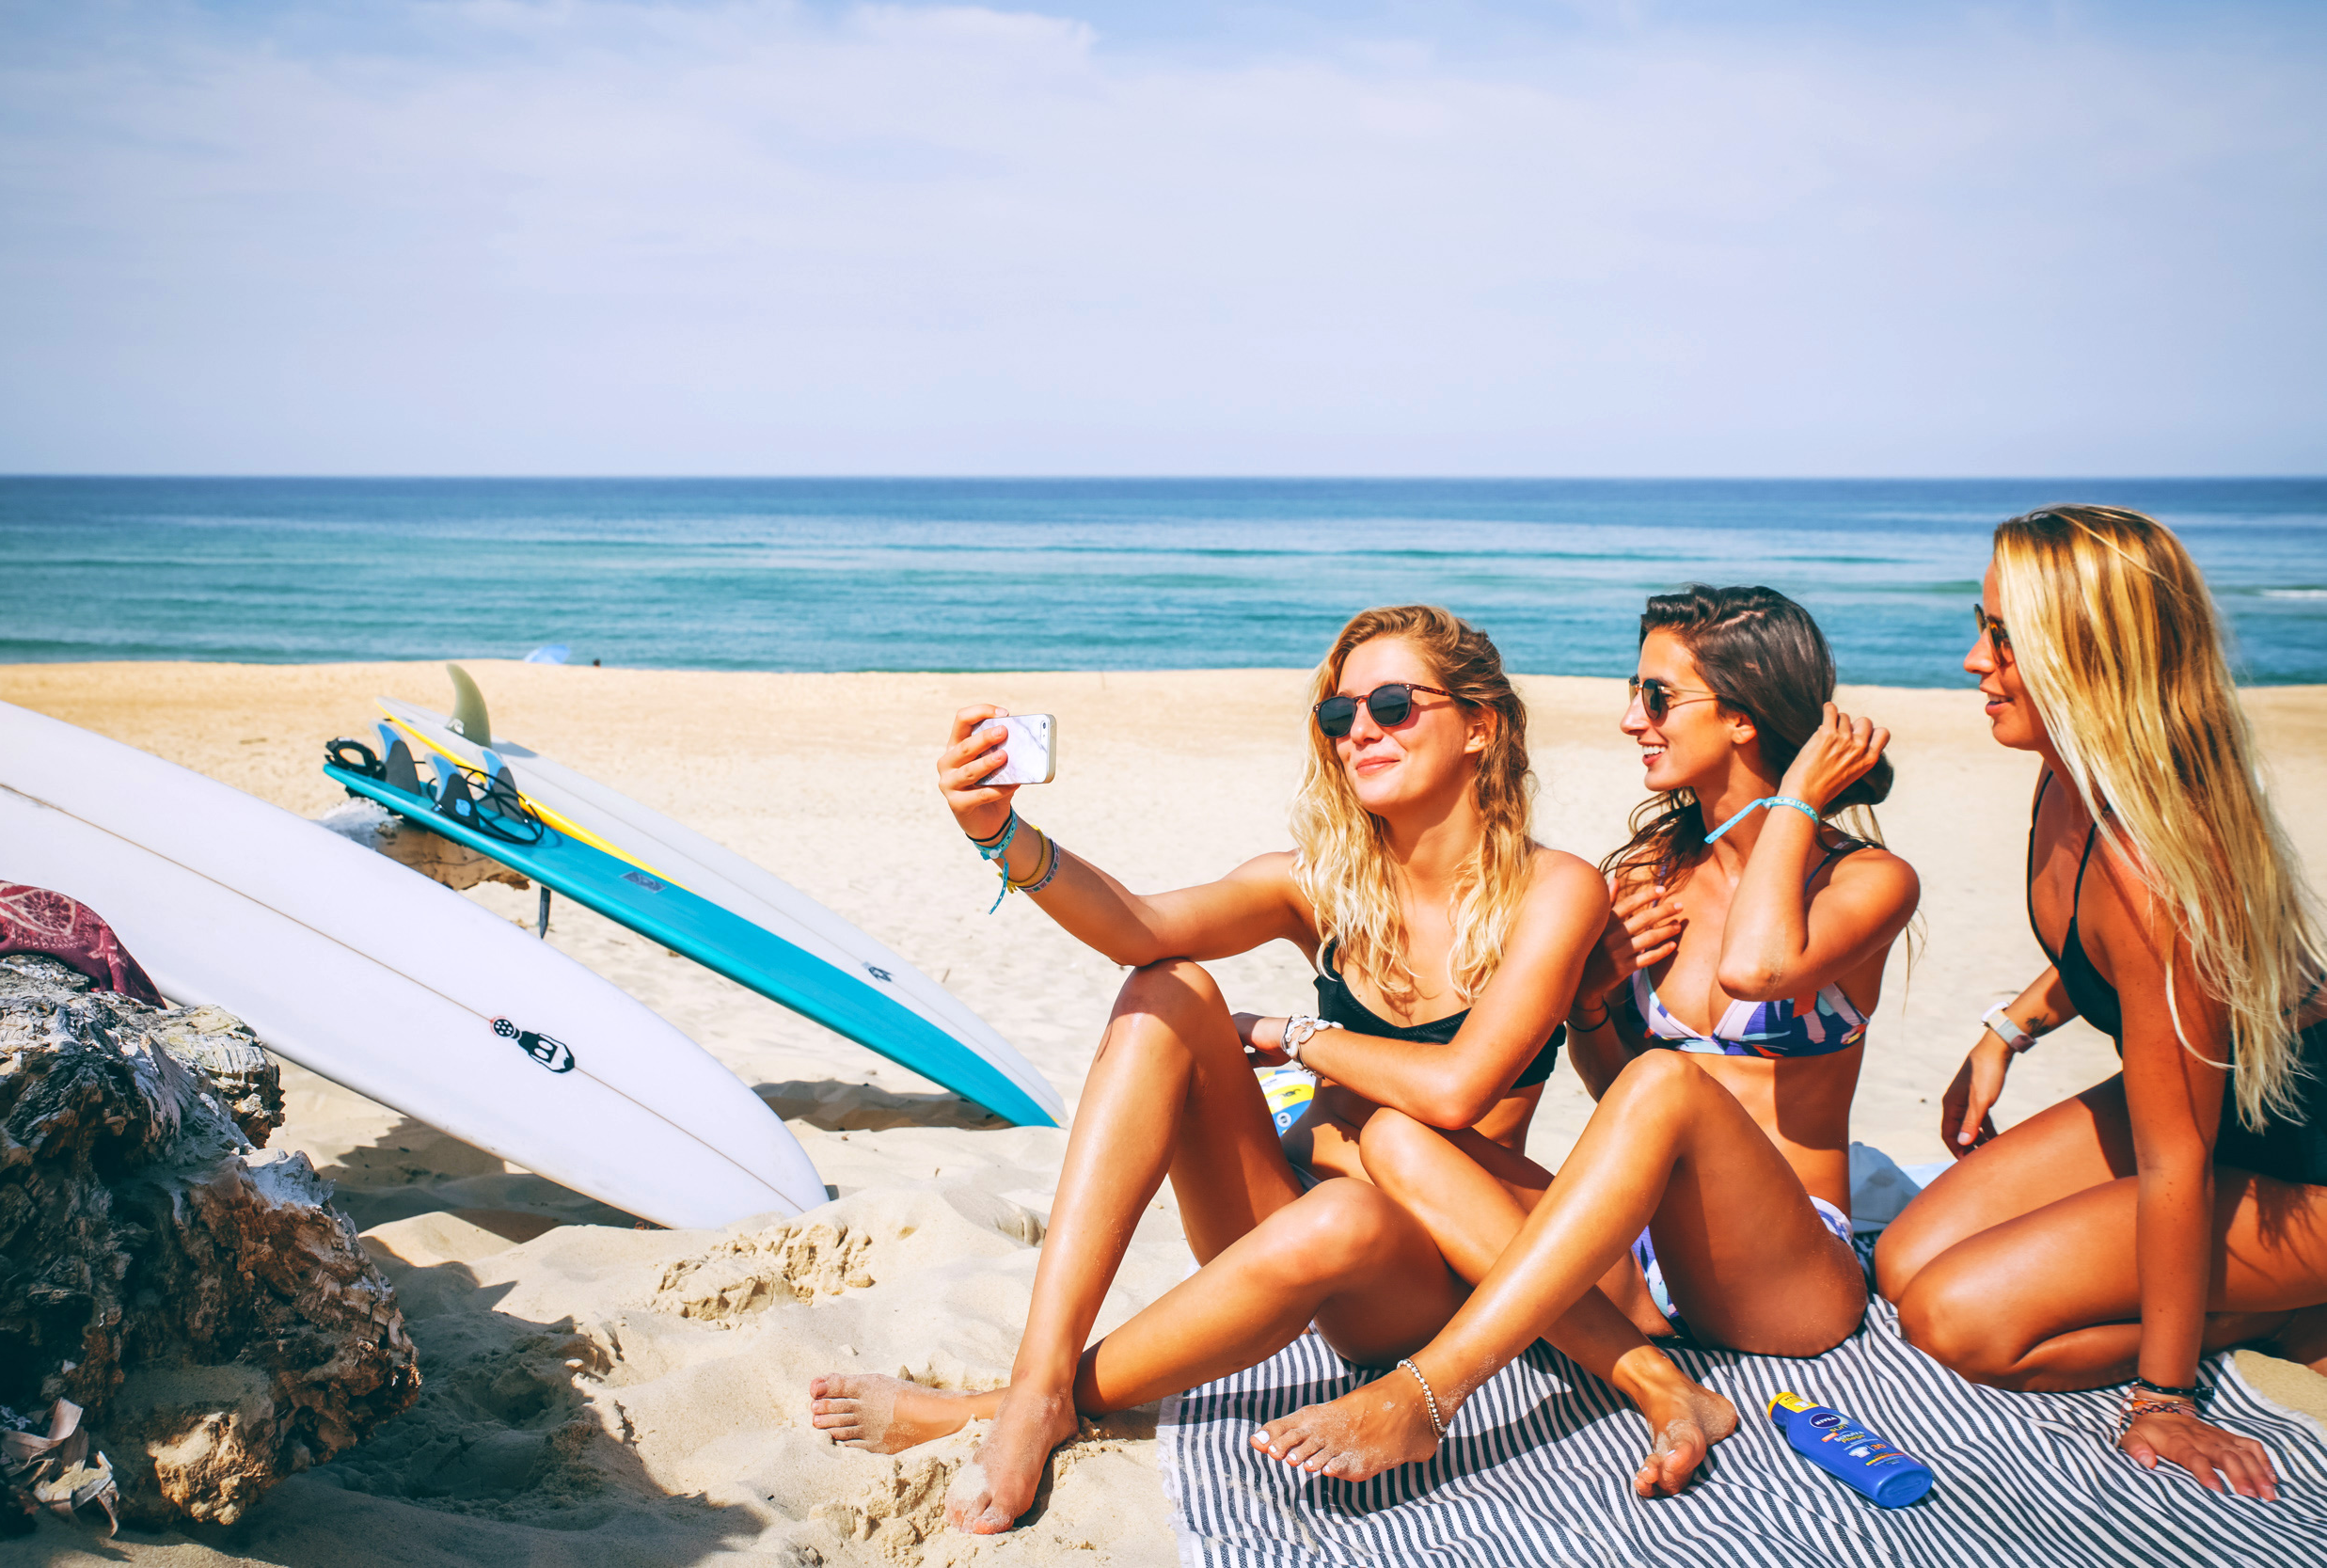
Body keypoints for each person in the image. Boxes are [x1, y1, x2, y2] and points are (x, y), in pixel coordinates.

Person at [810, 604, 1731, 1532]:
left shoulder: (1554, 889)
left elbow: (1456, 1089)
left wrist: (1291, 1033)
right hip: (1274, 1211)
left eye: (1393, 705)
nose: (1360, 730)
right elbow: (1137, 926)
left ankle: (994, 1408)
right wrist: (1000, 831)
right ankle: (1038, 1382)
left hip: (1428, 1273)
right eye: (1339, 715)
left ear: (1479, 725)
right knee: (1165, 987)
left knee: (1351, 1198)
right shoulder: (1320, 881)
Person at [1251, 585, 1920, 1483]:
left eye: (1657, 697)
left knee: (1668, 1082)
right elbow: (1617, 1087)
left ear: (1744, 716)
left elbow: (1756, 969)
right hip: (1644, 1264)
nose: (1631, 719)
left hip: (1788, 1271)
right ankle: (1659, 1382)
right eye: (1634, 693)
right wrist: (1595, 1004)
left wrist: (1797, 799)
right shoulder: (1646, 871)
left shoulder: (1867, 880)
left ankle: (1430, 1393)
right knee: (1396, 1133)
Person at [1875, 505, 2327, 1502]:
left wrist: (2165, 1398)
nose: (1972, 659)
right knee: (1906, 1259)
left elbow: (2176, 1159)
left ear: (2086, 657)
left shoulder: (2154, 871)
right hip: (2223, 1113)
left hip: (2302, 1162)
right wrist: (2008, 1027)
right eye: (1982, 625)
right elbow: (2100, 958)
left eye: (2003, 637)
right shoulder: (2067, 781)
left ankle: (2285, 1308)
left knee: (1958, 1318)